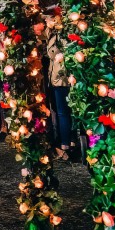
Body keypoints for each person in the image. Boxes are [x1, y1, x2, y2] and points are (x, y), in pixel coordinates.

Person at [47, 30, 74, 161]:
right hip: (56, 78)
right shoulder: (53, 34)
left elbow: (54, 54)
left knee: (63, 112)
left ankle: (65, 144)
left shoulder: (60, 35)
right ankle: (68, 141)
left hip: (61, 79)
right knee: (61, 111)